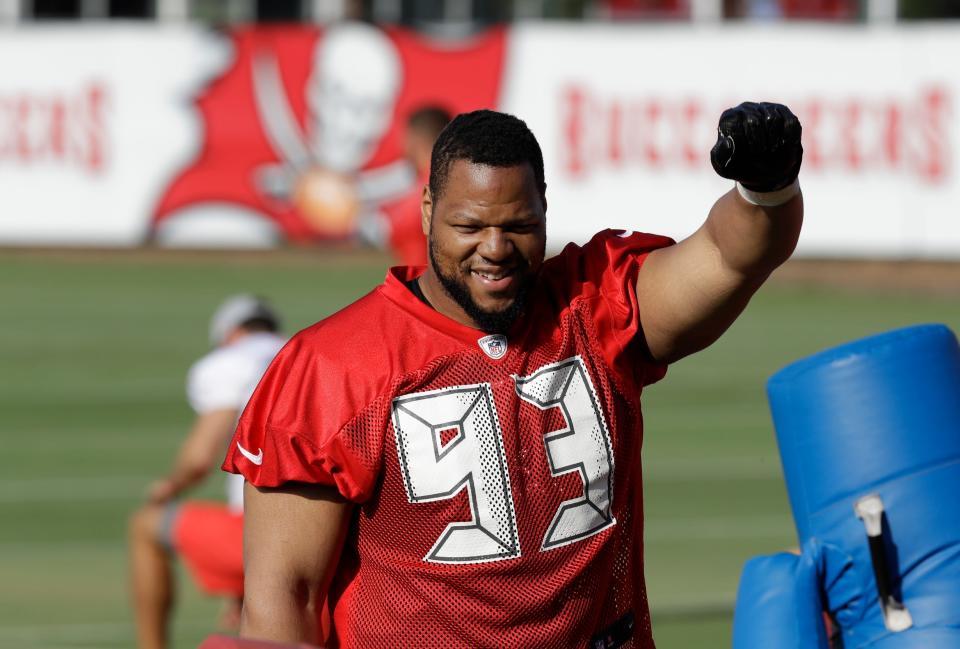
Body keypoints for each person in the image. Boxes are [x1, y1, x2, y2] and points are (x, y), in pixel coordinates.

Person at [223, 105, 804, 648]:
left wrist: (767, 188)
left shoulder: (594, 305)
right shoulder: (332, 366)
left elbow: (731, 257)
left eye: (519, 225)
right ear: (427, 209)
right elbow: (283, 600)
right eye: (470, 226)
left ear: (545, 207)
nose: (495, 249)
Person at [129, 295, 285, 649]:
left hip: (263, 537)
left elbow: (201, 454)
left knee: (146, 526)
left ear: (230, 334)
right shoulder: (302, 351)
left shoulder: (228, 362)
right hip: (333, 538)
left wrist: (171, 486)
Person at [381, 105, 453, 267]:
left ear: (415, 139)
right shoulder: (458, 181)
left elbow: (391, 227)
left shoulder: (428, 189)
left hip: (424, 288)